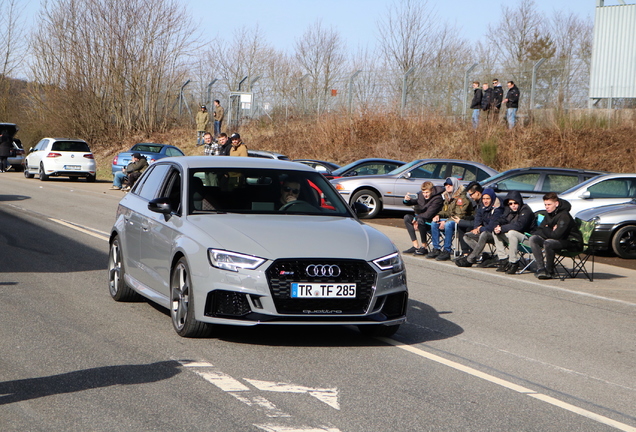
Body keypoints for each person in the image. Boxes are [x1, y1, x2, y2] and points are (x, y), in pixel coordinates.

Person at [528, 192, 582, 279]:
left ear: (556, 204)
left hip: (571, 242)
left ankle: (550, 271)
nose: (547, 207)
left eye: (549, 204)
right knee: (533, 238)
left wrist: (546, 228)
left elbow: (556, 235)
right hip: (556, 239)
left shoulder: (564, 216)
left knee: (548, 243)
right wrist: (548, 229)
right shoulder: (548, 214)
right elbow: (538, 230)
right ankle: (541, 269)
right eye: (545, 204)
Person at [427, 177, 473, 261]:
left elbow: (459, 215)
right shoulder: (447, 196)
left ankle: (447, 250)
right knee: (434, 223)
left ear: (454, 185)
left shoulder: (461, 198)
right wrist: (438, 215)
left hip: (461, 220)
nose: (447, 187)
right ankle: (436, 248)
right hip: (451, 218)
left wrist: (445, 221)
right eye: (446, 185)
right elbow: (446, 212)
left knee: (448, 224)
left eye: (450, 185)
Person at [455, 188, 504, 268]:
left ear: (492, 198)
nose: (485, 201)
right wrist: (476, 228)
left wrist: (480, 229)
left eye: (488, 198)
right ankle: (484, 255)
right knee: (467, 235)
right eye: (484, 198)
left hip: (495, 234)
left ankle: (470, 259)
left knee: (484, 234)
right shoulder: (482, 206)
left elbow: (492, 227)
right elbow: (478, 218)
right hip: (483, 230)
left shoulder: (498, 208)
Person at [492, 191, 536, 274]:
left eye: (515, 203)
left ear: (519, 202)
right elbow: (501, 219)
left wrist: (502, 228)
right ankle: (503, 259)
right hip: (514, 239)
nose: (513, 205)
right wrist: (496, 226)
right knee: (495, 232)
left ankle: (514, 262)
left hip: (528, 239)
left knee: (512, 232)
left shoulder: (526, 211)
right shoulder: (509, 210)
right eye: (510, 204)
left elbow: (519, 226)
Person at [402, 181, 444, 255]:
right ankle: (415, 246)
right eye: (423, 192)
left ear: (432, 190)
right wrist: (406, 200)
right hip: (421, 218)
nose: (425, 195)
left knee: (420, 220)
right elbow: (414, 201)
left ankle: (424, 247)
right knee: (407, 217)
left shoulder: (437, 198)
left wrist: (416, 218)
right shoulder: (421, 195)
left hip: (431, 222)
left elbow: (428, 214)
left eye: (427, 192)